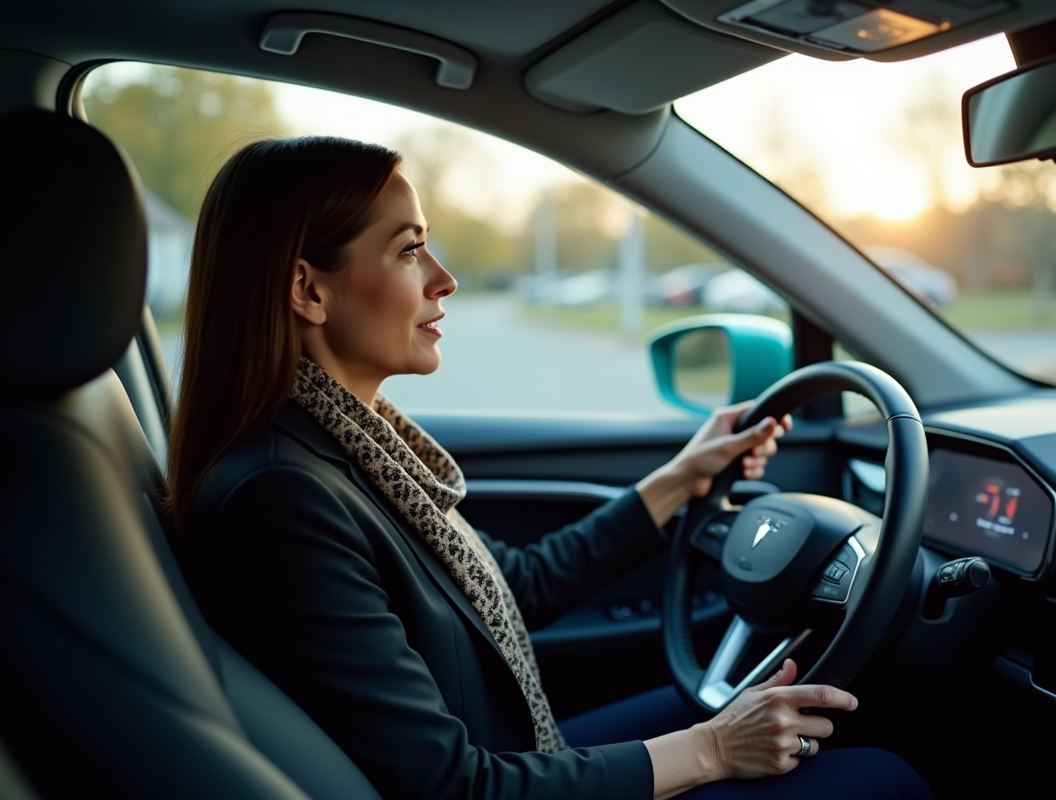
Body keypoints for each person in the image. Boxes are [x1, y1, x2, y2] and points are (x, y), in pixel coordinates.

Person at [175, 136, 932, 800]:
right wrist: (712, 750)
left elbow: (514, 586)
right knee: (883, 775)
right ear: (309, 290)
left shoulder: (350, 447)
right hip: (500, 777)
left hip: (520, 757)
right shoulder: (282, 497)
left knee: (793, 721)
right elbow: (446, 785)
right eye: (409, 250)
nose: (445, 278)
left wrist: (682, 477)